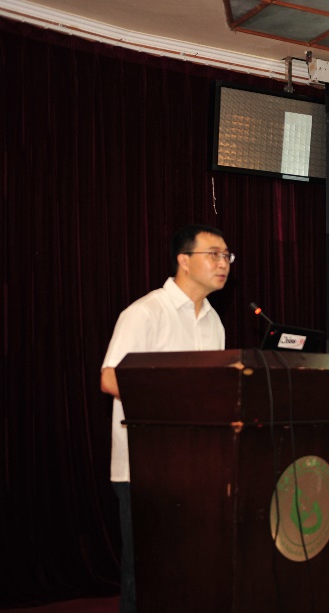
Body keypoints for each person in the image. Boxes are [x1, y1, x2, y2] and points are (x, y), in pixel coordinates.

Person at [100, 224, 233, 613]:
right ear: (183, 261)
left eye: (227, 256)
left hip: (197, 466)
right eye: (213, 254)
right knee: (145, 575)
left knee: (188, 571)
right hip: (144, 468)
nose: (223, 263)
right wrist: (173, 403)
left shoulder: (214, 321)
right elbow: (109, 378)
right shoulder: (145, 312)